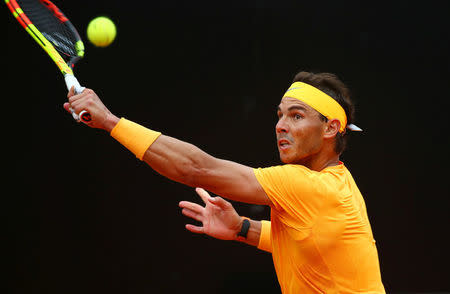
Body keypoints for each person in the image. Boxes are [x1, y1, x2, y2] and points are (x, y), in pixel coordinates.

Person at [64, 71, 385, 293]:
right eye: (280, 115)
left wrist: (110, 122)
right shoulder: (338, 182)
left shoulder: (307, 185)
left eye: (296, 116)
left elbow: (195, 168)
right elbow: (304, 241)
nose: (281, 126)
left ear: (330, 129)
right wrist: (241, 228)